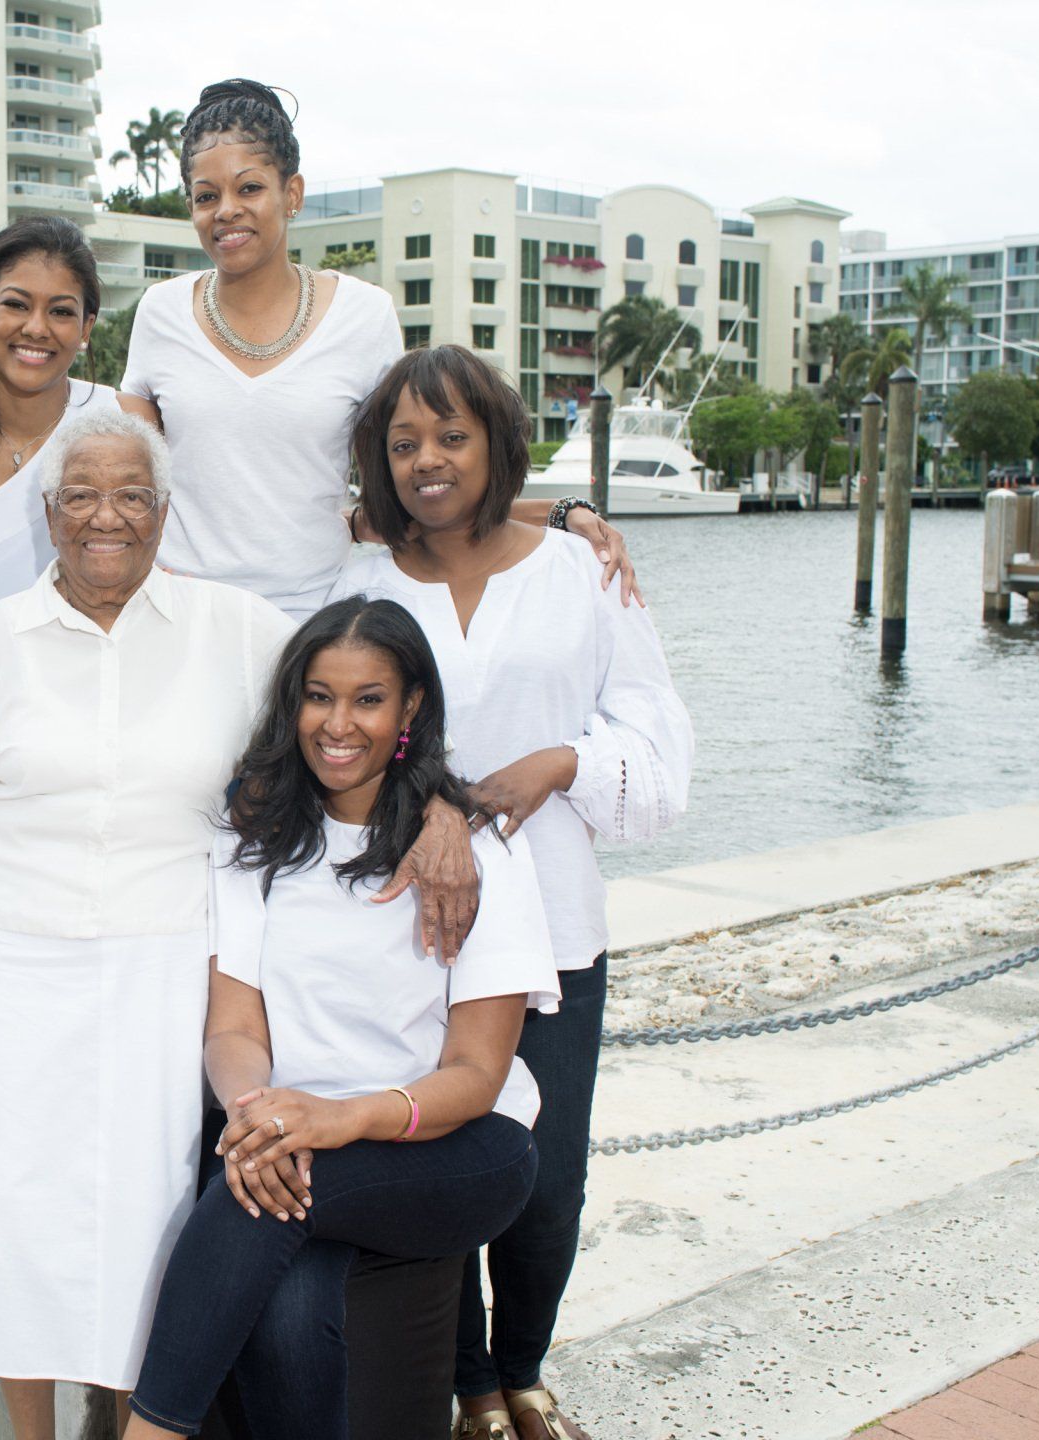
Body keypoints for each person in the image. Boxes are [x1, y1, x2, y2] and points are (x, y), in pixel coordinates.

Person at [334, 345, 693, 1440]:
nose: (429, 461)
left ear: (495, 441)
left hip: (554, 920)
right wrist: (433, 802)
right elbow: (338, 741)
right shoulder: (359, 580)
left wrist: (556, 765)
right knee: (439, 1163)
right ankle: (471, 1385)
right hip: (409, 923)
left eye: (451, 436)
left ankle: (525, 1366)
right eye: (404, 444)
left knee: (545, 1172)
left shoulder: (583, 572)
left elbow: (659, 747)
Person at [0, 409, 295, 1439]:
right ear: (48, 515)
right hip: (13, 967)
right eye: (81, 494)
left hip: (167, 967)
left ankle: (134, 1427)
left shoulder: (242, 631)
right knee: (11, 1223)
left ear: (165, 513)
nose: (107, 517)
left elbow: (355, 717)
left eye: (132, 494)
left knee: (147, 1225)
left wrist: (437, 804)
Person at [121, 595, 562, 1440]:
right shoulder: (253, 839)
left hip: (455, 1146)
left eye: (368, 698)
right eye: (319, 695)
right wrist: (259, 1114)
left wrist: (333, 1119)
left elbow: (476, 1075)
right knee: (286, 1300)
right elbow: (234, 1032)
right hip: (296, 1135)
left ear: (411, 708)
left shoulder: (478, 855)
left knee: (245, 1203)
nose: (338, 723)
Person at [120, 79, 637, 620]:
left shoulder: (363, 315)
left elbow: (415, 492)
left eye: (248, 188)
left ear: (291, 194)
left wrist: (560, 512)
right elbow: (129, 483)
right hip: (178, 614)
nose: (226, 210)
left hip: (315, 621)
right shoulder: (161, 312)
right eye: (207, 196)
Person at [0, 215, 158, 606]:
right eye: (16, 304)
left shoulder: (128, 421)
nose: (36, 328)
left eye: (60, 311)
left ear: (86, 328)